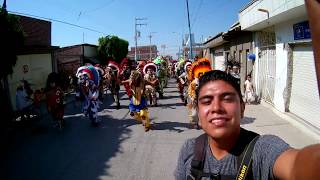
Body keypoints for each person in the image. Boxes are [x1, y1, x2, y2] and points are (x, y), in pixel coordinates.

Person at [175, 70, 320, 180]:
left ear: (242, 108)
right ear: (198, 112)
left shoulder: (262, 149)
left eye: (227, 99)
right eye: (207, 101)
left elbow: (297, 166)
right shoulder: (189, 149)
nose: (216, 108)